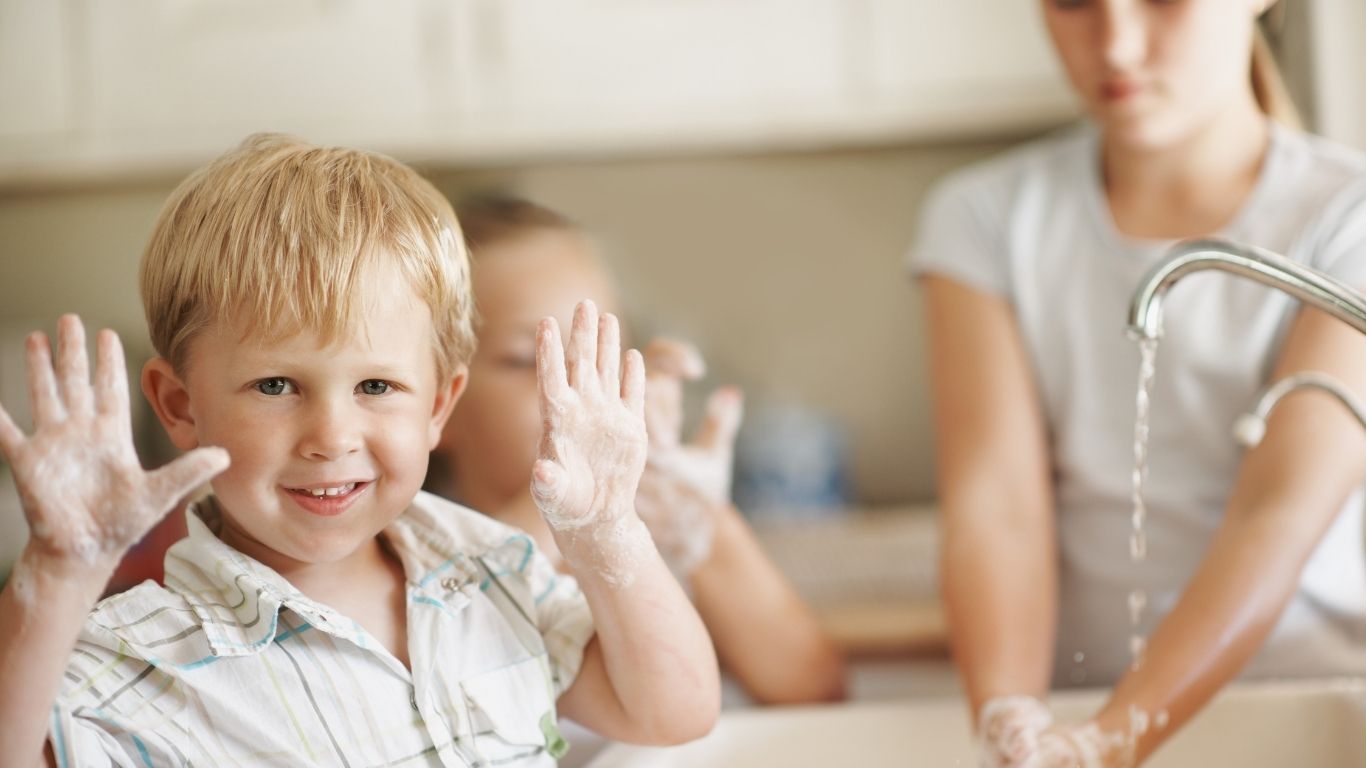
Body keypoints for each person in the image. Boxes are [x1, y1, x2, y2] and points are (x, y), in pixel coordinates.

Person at [0, 134, 719, 767]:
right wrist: (58, 576)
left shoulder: (492, 575)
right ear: (181, 407)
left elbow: (672, 711)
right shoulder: (143, 659)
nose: (332, 437)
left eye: (376, 384)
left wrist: (606, 532)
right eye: (276, 384)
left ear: (439, 403)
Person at [910, 1, 1366, 765]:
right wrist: (1011, 716)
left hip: (1305, 701)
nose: (1116, 44)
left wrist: (1119, 737)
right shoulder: (983, 217)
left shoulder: (1346, 218)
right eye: (1074, 3)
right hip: (1074, 702)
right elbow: (998, 506)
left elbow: (1276, 511)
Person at [428, 196, 847, 706]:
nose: (581, 382)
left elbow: (813, 690)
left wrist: (705, 527)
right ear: (438, 402)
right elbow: (451, 632)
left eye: (600, 346)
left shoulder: (653, 520)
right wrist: (578, 512)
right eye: (528, 359)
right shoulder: (417, 549)